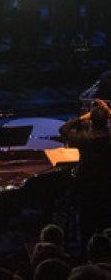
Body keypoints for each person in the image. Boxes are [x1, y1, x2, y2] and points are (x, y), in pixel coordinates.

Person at [59, 100, 111, 246]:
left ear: (91, 122)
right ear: (107, 122)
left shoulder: (83, 139)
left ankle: (84, 254)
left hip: (86, 187)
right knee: (105, 223)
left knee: (86, 223)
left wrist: (83, 117)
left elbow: (63, 130)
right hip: (108, 187)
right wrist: (108, 113)